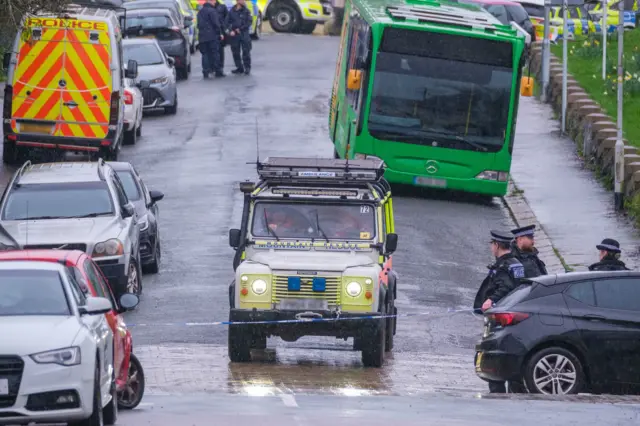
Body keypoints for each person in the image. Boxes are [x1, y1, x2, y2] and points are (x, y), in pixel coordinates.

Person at [474, 230, 525, 394]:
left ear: (497, 245)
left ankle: (497, 394)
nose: (491, 247)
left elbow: (506, 287)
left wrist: (491, 300)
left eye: (492, 244)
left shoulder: (504, 266)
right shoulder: (516, 263)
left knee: (493, 357)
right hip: (515, 316)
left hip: (501, 317)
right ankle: (515, 391)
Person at [197, 0, 225, 78]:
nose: (215, 2)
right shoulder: (212, 11)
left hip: (202, 36)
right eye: (214, 1)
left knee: (205, 54)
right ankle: (218, 71)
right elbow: (216, 24)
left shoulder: (200, 11)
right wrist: (219, 33)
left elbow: (199, 25)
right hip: (212, 36)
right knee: (215, 53)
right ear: (211, 1)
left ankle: (205, 72)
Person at [226, 0, 252, 75]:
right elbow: (226, 22)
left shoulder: (246, 11)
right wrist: (230, 31)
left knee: (246, 51)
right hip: (235, 35)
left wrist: (240, 29)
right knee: (235, 52)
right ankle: (239, 67)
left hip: (244, 34)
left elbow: (249, 22)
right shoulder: (231, 11)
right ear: (237, 1)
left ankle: (247, 67)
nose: (243, 1)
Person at [214, 0, 229, 69]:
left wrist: (224, 26)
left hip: (221, 31)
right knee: (212, 50)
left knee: (220, 49)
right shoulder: (208, 7)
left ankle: (220, 66)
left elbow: (227, 18)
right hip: (212, 31)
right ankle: (213, 67)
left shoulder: (222, 7)